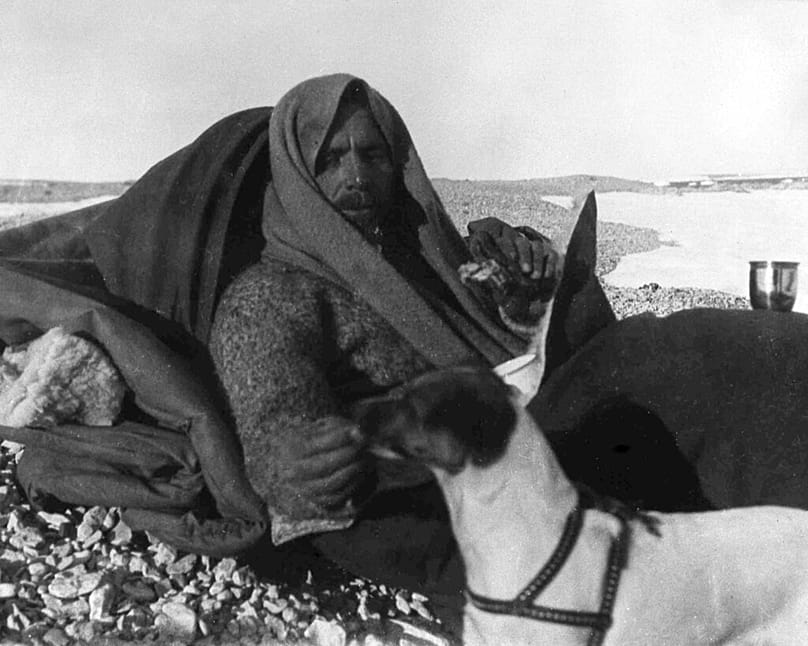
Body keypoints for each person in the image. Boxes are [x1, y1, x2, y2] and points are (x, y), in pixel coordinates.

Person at [206, 74, 581, 621]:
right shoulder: (269, 296)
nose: (356, 176)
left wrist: (526, 294)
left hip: (511, 453)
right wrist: (293, 459)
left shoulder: (425, 260)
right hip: (408, 504)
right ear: (295, 175)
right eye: (330, 159)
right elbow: (276, 421)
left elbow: (498, 335)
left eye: (373, 155)